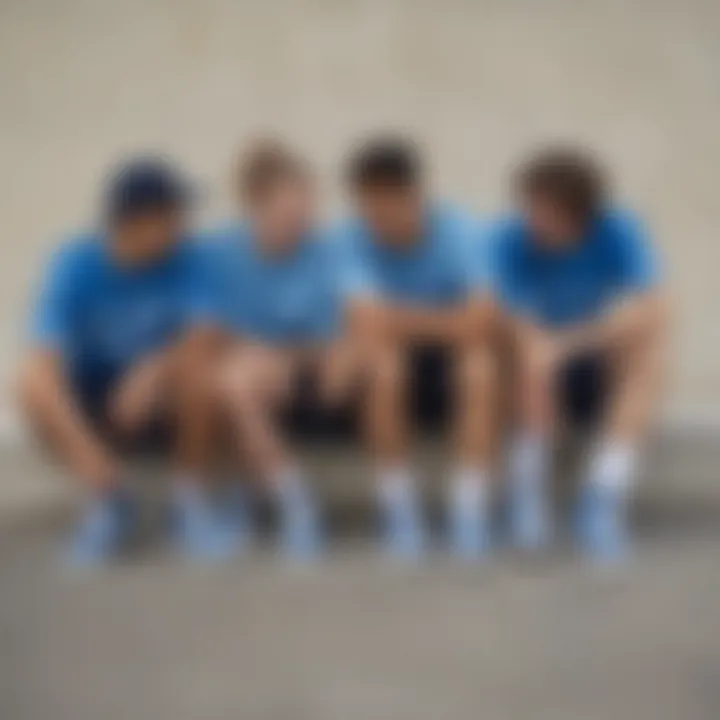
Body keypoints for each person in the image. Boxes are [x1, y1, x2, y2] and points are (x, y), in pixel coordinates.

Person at [18, 157, 240, 564]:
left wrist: (151, 370)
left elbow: (208, 335)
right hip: (93, 392)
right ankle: (107, 496)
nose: (182, 224)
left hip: (159, 396)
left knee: (202, 371)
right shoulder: (76, 262)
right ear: (139, 221)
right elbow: (43, 352)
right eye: (174, 214)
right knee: (29, 384)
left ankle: (188, 505)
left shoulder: (190, 258)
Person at [491, 146, 667, 561]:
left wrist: (569, 344)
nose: (530, 217)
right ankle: (527, 499)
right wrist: (540, 348)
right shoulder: (509, 237)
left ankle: (603, 497)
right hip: (532, 356)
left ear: (578, 212)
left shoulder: (618, 230)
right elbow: (508, 314)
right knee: (525, 357)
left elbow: (651, 307)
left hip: (588, 346)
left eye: (542, 208)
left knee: (650, 354)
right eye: (528, 205)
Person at [337, 136, 496, 560]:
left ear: (415, 195)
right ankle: (399, 510)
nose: (377, 218)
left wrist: (396, 318)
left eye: (386, 204)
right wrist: (447, 321)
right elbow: (365, 326)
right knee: (382, 366)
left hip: (452, 358)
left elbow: (480, 325)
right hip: (398, 356)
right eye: (367, 206)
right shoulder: (349, 240)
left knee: (480, 367)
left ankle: (469, 511)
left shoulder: (464, 232)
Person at [201, 139, 348, 559]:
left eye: (307, 203)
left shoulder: (326, 252)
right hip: (244, 367)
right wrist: (251, 353)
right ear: (255, 205)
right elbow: (208, 329)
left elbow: (337, 335)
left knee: (237, 383)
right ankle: (292, 501)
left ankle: (263, 503)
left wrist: (285, 357)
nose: (303, 214)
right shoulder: (219, 254)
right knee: (232, 383)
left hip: (311, 368)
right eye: (290, 205)